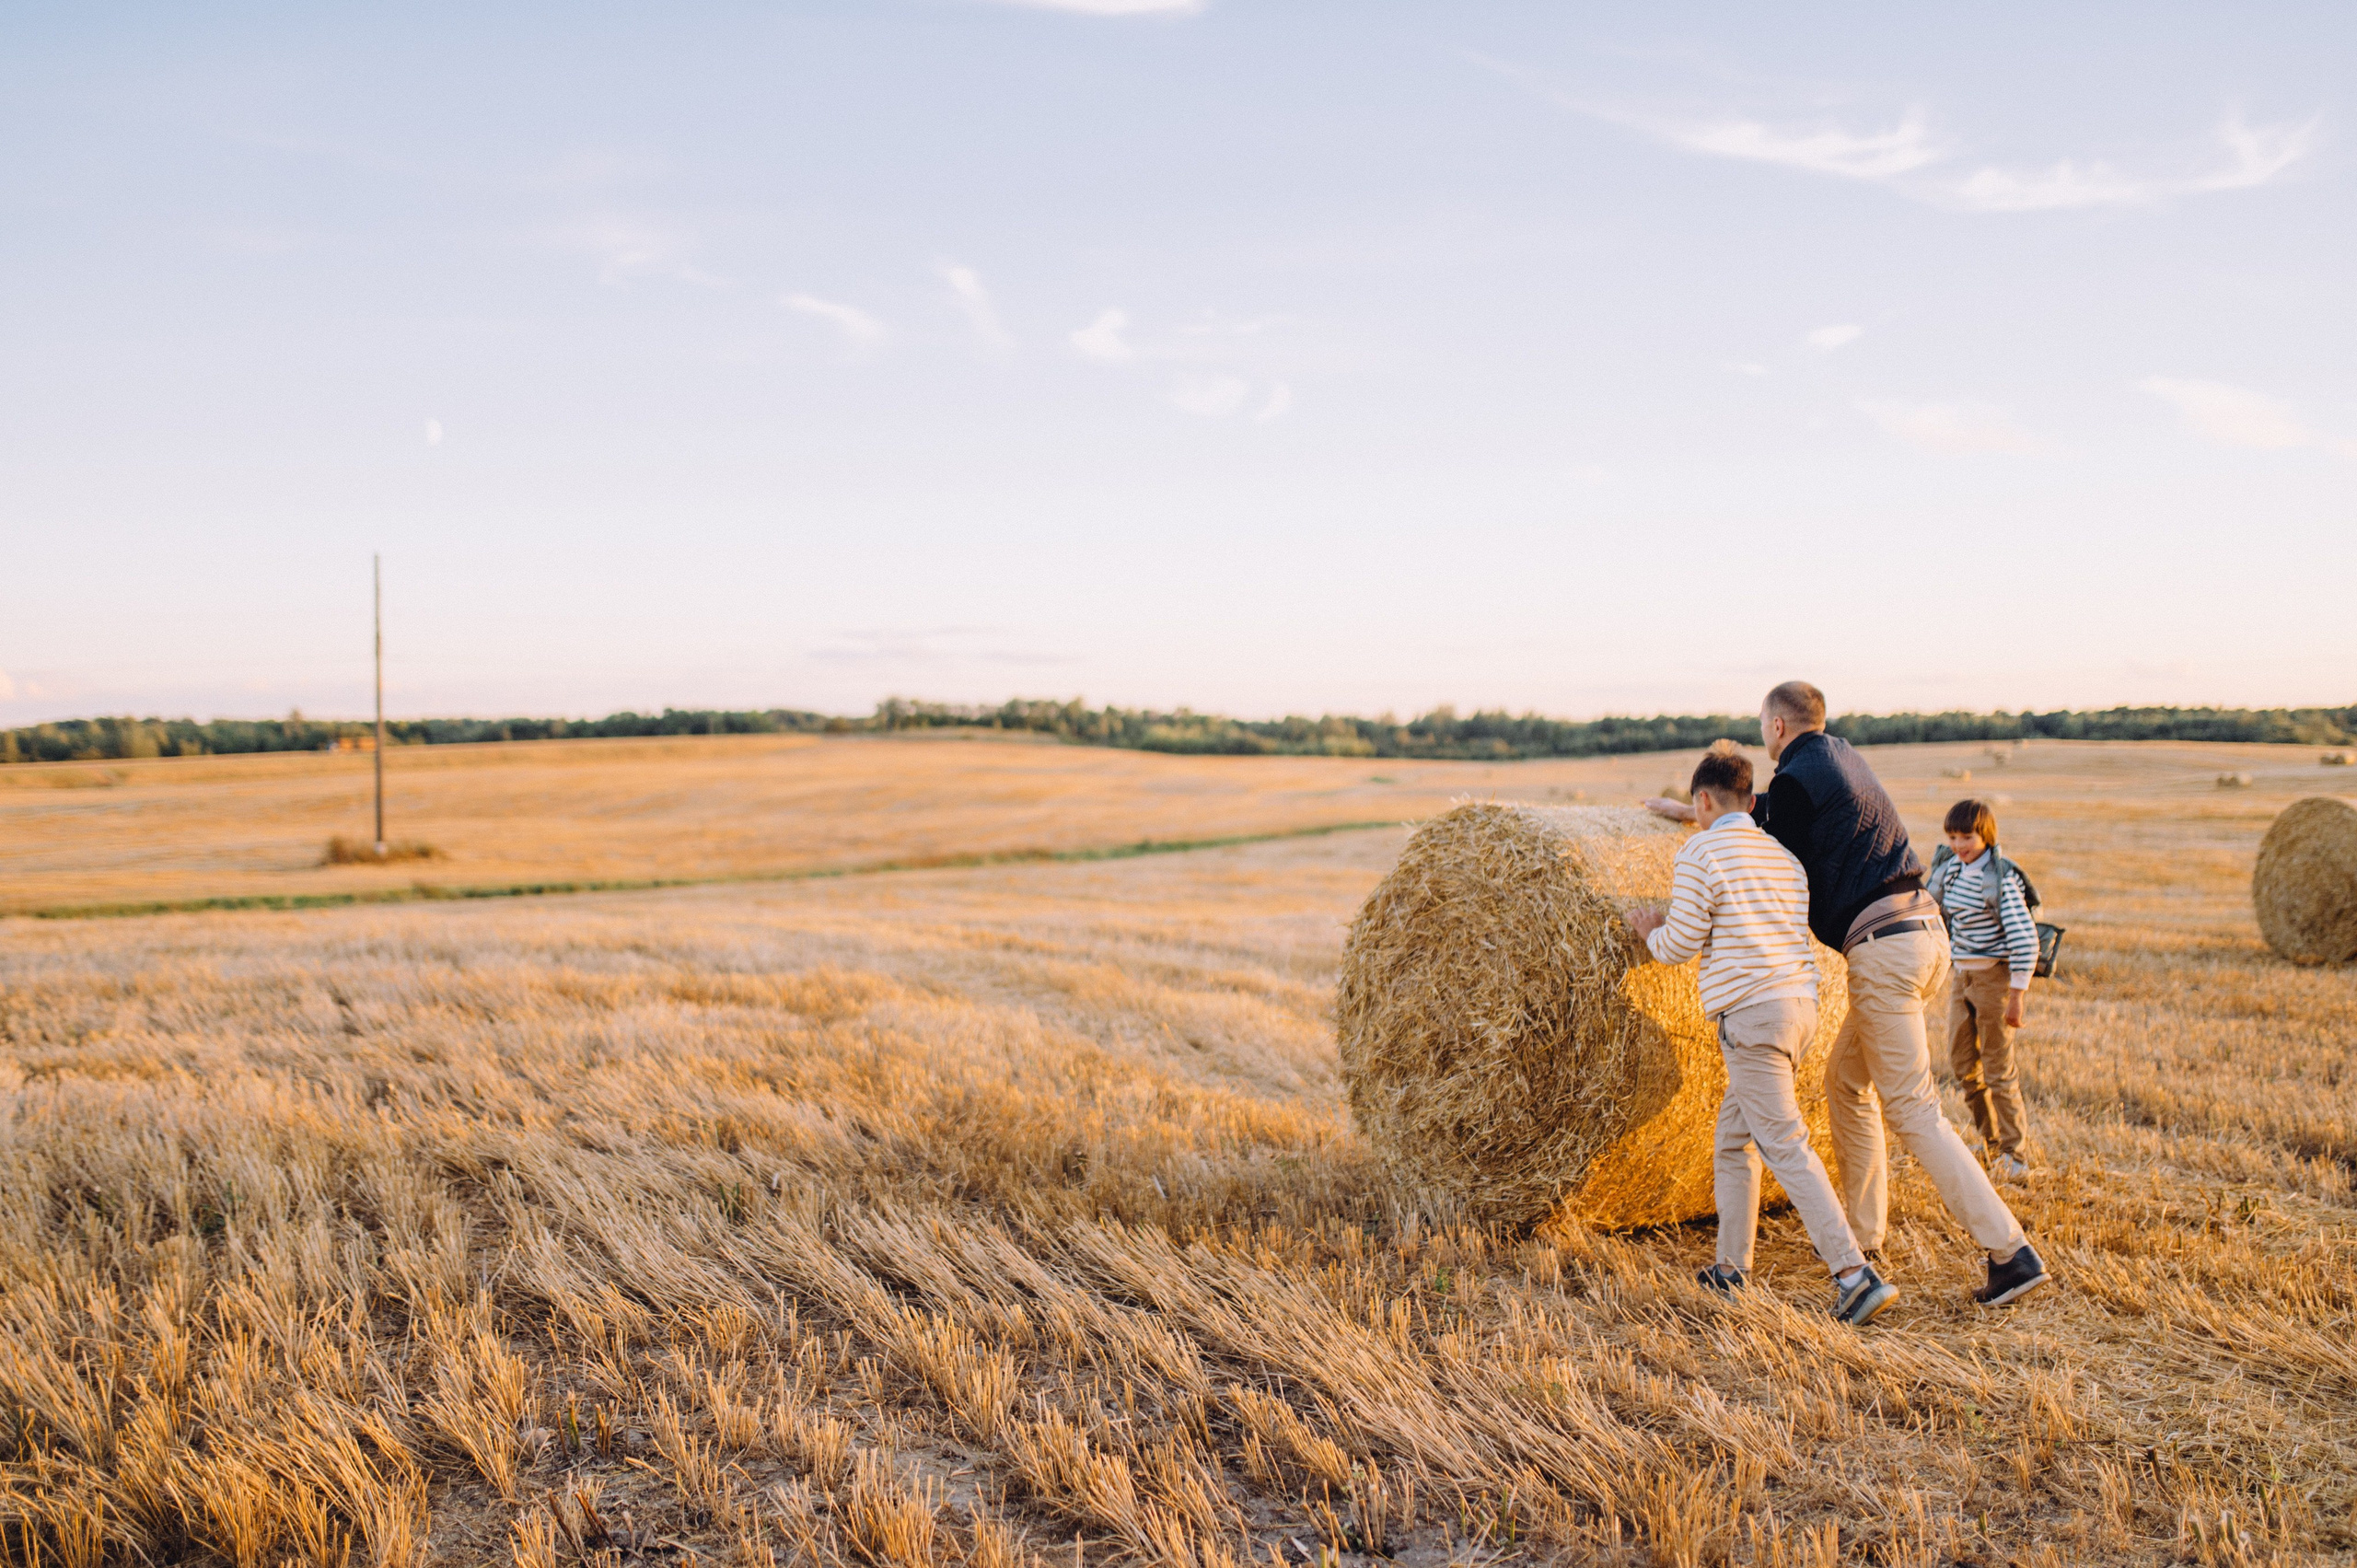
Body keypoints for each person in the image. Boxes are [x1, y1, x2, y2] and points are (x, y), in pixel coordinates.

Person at [1645, 681, 2050, 1308]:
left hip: (1885, 947)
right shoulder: (1841, 758)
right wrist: (1706, 814)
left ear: (1777, 727)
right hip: (1918, 935)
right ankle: (1865, 1236)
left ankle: (2009, 1250)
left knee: (1914, 1110)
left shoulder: (1799, 777)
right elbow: (1750, 823)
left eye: (1762, 726)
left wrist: (1692, 818)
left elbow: (1741, 827)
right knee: (1844, 1081)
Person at [1627, 741, 1898, 1325]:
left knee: (1785, 1144)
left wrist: (1651, 929)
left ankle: (1854, 1274)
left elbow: (1679, 946)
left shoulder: (1702, 851)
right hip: (1799, 1009)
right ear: (1751, 801)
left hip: (1750, 1018)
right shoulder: (1783, 857)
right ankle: (1731, 1268)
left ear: (1701, 800)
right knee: (1734, 1139)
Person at [1927, 798, 2038, 1179]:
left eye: (1968, 837)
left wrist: (2017, 996)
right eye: (1953, 837)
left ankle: (2016, 1154)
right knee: (1961, 1065)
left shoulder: (2001, 878)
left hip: (1994, 979)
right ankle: (1991, 1143)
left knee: (1998, 1070)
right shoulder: (1950, 871)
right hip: (1963, 977)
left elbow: (2025, 940)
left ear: (1986, 835)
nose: (1959, 845)